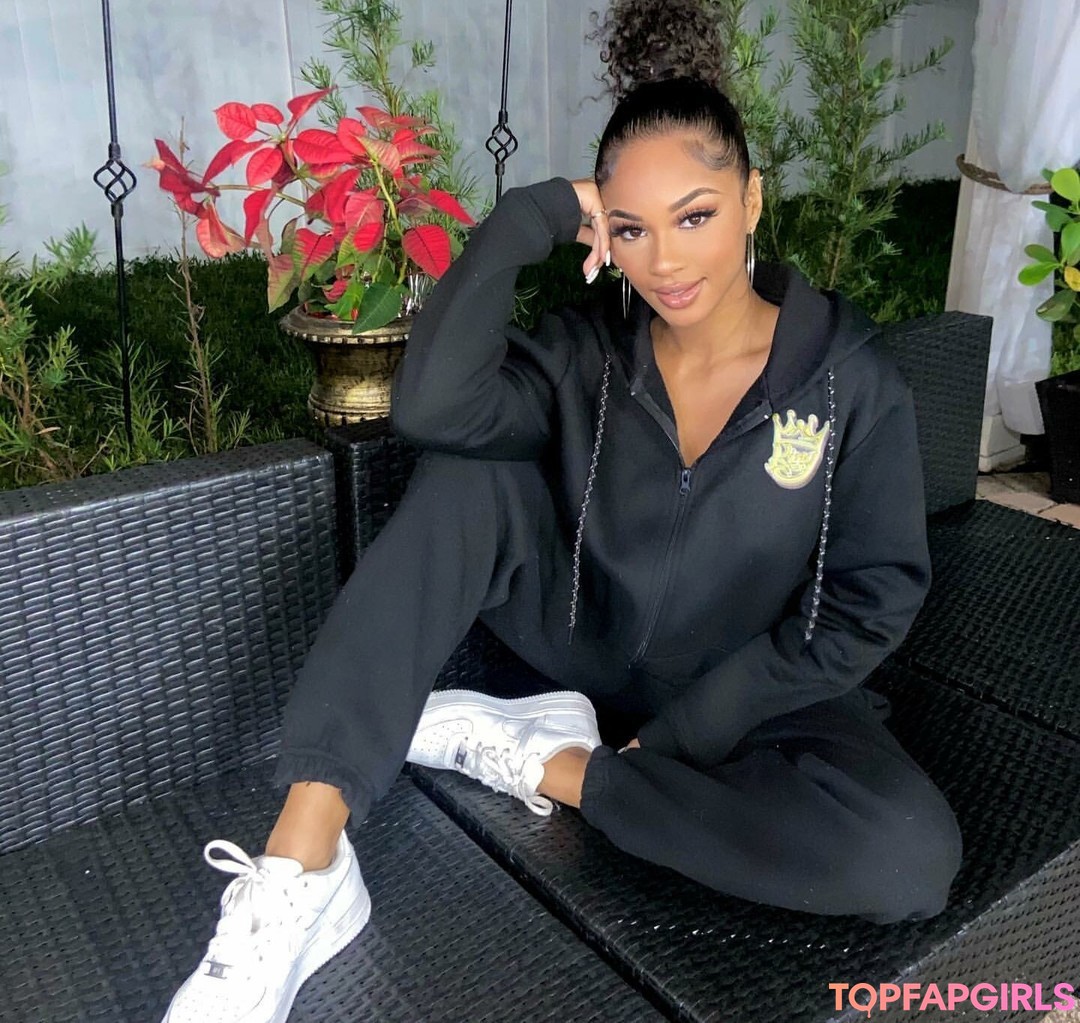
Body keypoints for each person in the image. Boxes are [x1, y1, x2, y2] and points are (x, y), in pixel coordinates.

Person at [160, 19, 963, 1023]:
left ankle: (553, 763)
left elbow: (865, 603)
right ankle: (304, 863)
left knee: (908, 858)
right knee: (465, 480)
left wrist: (684, 733)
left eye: (695, 215)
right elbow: (432, 408)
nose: (664, 260)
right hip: (577, 633)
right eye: (630, 228)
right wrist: (527, 217)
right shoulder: (590, 351)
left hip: (746, 693)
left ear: (753, 201)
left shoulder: (850, 382)